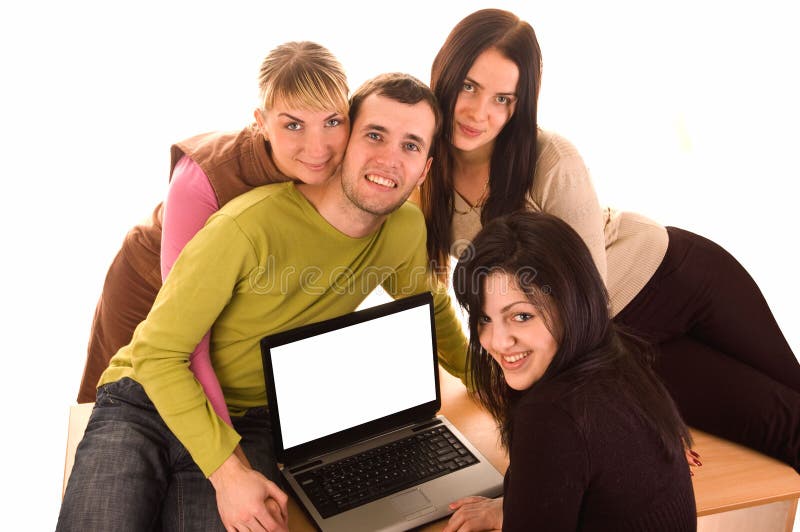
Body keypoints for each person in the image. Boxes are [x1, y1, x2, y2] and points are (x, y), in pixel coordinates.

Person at [58, 73, 468, 531]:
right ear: (347, 139)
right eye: (375, 135)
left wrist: (500, 383)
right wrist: (227, 473)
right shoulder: (247, 227)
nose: (390, 158)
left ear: (425, 168)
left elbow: (426, 310)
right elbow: (157, 353)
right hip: (146, 401)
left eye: (411, 146)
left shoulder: (406, 228)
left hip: (252, 421)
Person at [420, 7, 800, 476]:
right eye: (470, 86)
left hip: (678, 275)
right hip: (620, 334)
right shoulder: (421, 170)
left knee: (793, 395)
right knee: (782, 425)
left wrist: (634, 420)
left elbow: (584, 300)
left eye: (503, 98)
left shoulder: (548, 158)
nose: (480, 112)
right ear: (446, 72)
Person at [77, 41, 351, 428]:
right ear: (261, 120)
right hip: (149, 284)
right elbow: (189, 345)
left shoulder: (350, 161)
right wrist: (226, 456)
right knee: (111, 419)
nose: (317, 147)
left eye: (333, 121)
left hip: (233, 298)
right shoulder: (204, 176)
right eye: (293, 125)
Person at [445, 211, 697, 531]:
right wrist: (518, 504)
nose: (497, 341)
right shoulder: (615, 362)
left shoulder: (552, 415)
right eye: (484, 318)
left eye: (521, 316)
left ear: (570, 305)